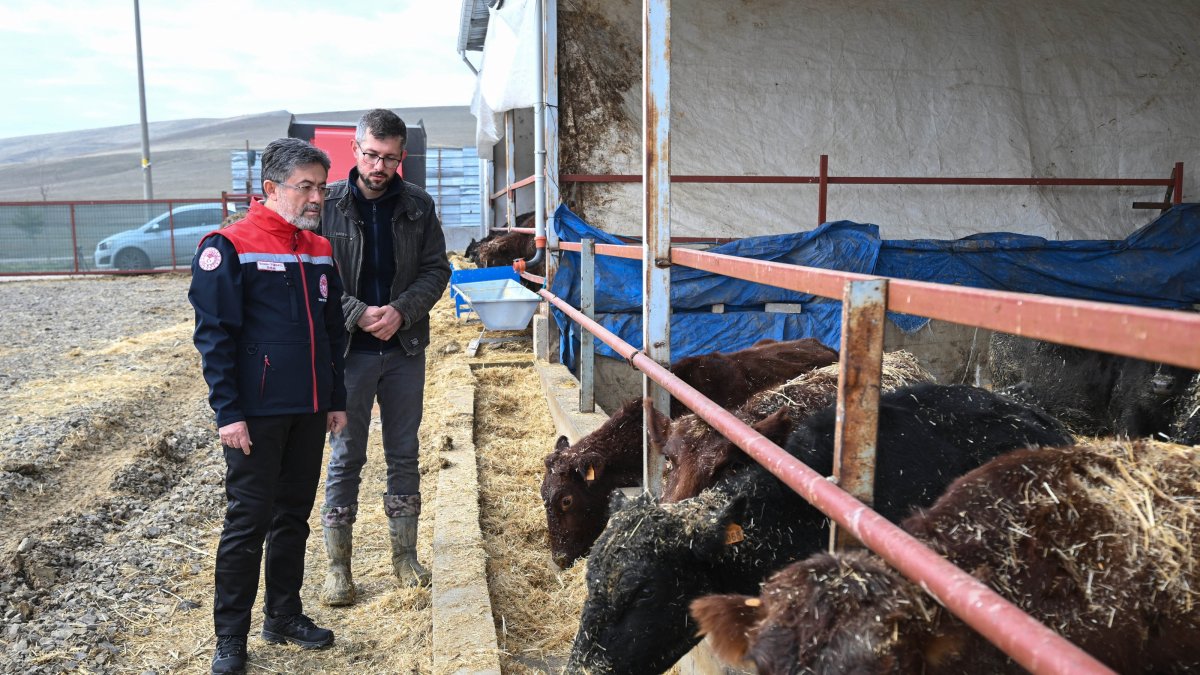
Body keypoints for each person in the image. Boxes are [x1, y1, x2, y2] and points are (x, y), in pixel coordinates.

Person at [189, 138, 348, 675]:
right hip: (254, 414)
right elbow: (214, 337)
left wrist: (334, 400)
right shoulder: (229, 245)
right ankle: (230, 637)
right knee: (247, 521)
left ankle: (283, 614)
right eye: (305, 187)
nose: (316, 197)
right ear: (270, 188)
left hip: (307, 409)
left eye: (321, 187)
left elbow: (330, 332)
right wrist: (227, 413)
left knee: (293, 518)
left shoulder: (318, 249)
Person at [317, 108, 450, 605]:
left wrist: (401, 311)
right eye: (371, 155)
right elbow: (315, 275)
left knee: (403, 451)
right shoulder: (327, 205)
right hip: (348, 352)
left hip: (403, 348)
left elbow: (437, 270)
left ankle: (404, 558)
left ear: (402, 157)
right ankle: (338, 568)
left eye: (389, 158)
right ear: (354, 151)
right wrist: (354, 312)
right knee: (346, 455)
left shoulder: (418, 205)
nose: (379, 166)